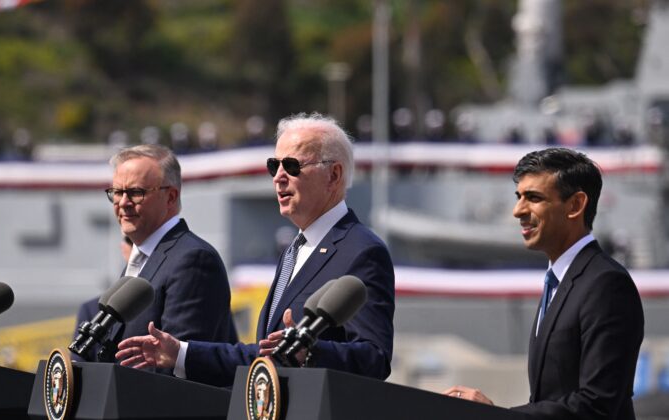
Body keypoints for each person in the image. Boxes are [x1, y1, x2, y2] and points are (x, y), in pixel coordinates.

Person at [116, 113, 395, 387]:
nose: (278, 178)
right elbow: (263, 357)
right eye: (274, 166)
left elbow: (375, 357)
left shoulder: (361, 251)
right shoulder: (294, 251)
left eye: (292, 166)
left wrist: (309, 350)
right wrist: (181, 354)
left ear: (333, 175)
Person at [444, 148, 644, 420]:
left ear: (575, 205)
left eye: (534, 198)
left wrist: (497, 416)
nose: (518, 211)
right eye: (519, 197)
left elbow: (597, 404)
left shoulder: (606, 285)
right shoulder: (559, 282)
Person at [76, 144, 238, 363]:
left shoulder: (193, 260)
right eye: (117, 192)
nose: (123, 203)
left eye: (135, 192)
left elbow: (178, 365)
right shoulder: (142, 258)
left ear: (171, 197)